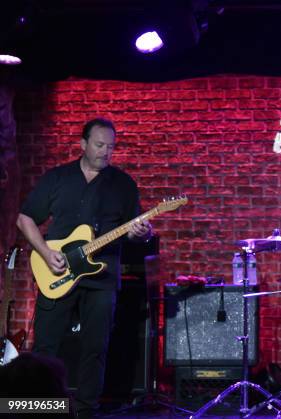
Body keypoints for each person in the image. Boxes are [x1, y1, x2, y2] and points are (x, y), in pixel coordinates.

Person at [16, 118, 152, 419]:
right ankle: (40, 410)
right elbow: (25, 218)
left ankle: (86, 411)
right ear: (83, 144)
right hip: (56, 270)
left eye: (111, 147)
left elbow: (132, 228)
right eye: (100, 145)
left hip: (102, 275)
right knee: (46, 345)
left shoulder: (123, 184)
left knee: (96, 347)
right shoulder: (57, 178)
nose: (106, 152)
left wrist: (141, 232)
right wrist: (46, 252)